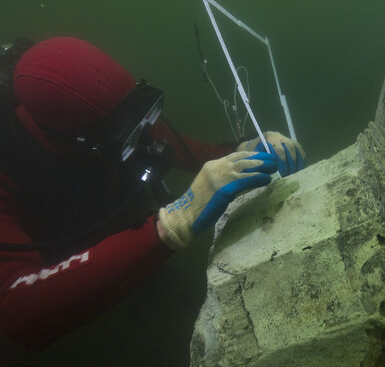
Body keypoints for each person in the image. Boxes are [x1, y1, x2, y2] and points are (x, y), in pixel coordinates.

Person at [0, 37, 305, 350]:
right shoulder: (9, 169)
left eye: (148, 116)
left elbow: (184, 148)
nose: (147, 134)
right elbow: (18, 313)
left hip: (132, 242)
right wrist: (173, 222)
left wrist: (242, 150)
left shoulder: (116, 116)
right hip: (68, 269)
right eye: (130, 136)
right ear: (77, 140)